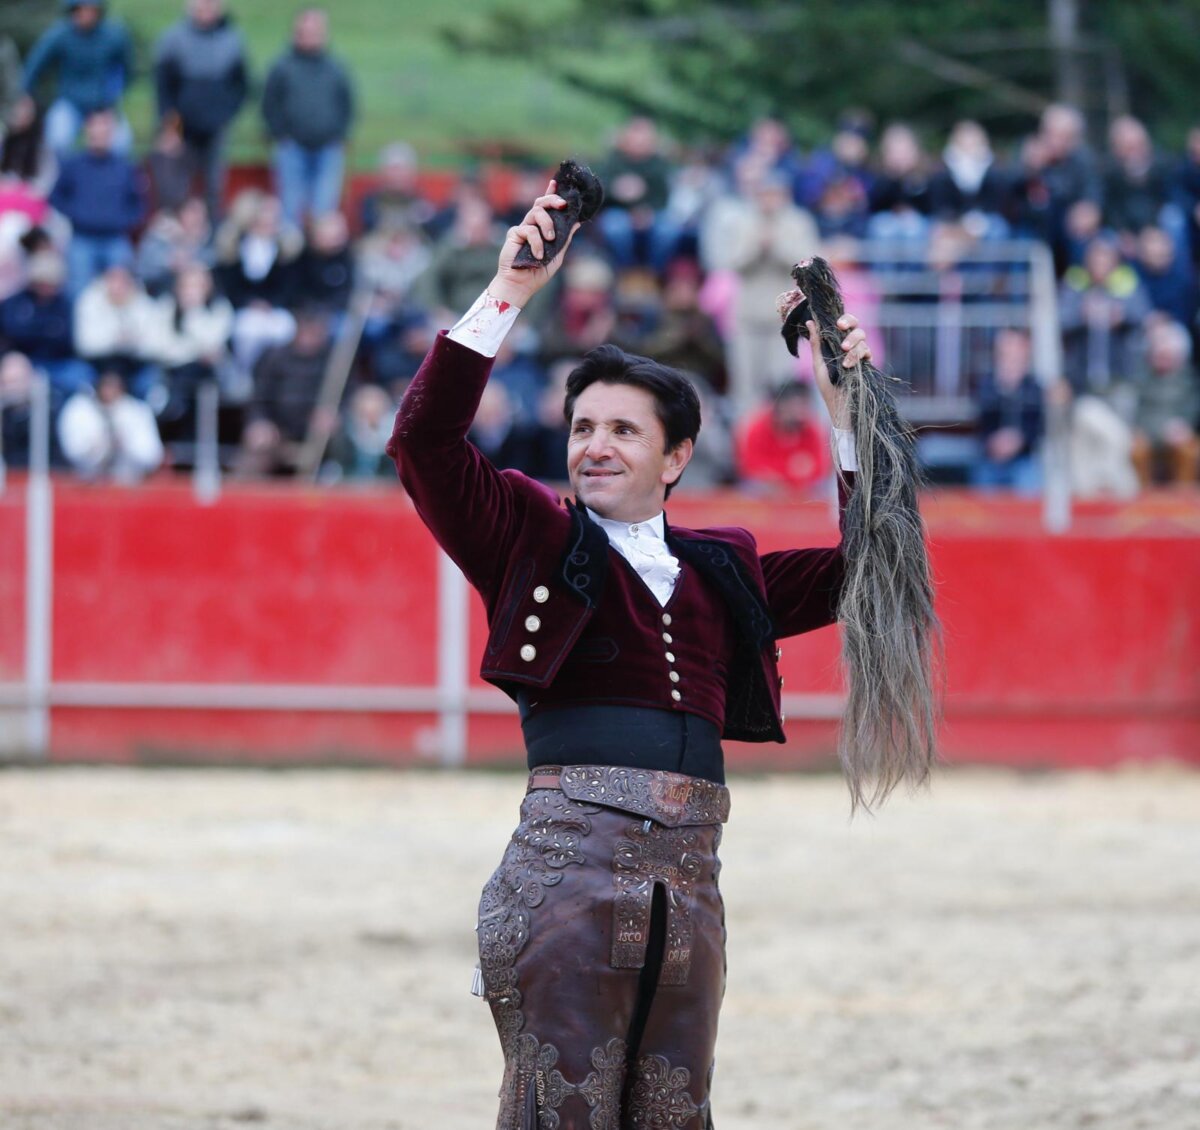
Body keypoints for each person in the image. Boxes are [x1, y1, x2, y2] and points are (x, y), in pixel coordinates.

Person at [387, 182, 876, 1128]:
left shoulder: (720, 571)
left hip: (694, 894)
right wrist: (507, 293)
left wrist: (842, 407)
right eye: (581, 429)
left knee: (674, 1118)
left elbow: (872, 566)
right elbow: (424, 443)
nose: (594, 448)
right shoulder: (530, 538)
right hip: (563, 885)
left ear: (677, 457)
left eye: (622, 430)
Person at [153, 0, 250, 220]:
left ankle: (212, 240)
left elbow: (241, 85)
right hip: (182, 127)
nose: (206, 9)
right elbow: (165, 88)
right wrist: (171, 129)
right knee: (177, 189)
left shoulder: (232, 40)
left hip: (216, 127)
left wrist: (227, 114)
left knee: (214, 188)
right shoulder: (174, 39)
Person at [261, 7, 355, 228]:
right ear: (296, 33)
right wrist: (280, 134)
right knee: (290, 210)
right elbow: (269, 104)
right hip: (291, 147)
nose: (311, 37)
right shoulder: (282, 67)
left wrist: (339, 135)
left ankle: (319, 259)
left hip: (328, 148)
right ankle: (291, 258)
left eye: (316, 31)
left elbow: (348, 105)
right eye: (306, 31)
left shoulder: (336, 68)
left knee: (324, 213)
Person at [15, 0, 135, 159]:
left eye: (90, 9)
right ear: (72, 10)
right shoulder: (60, 35)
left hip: (103, 104)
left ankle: (112, 182)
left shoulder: (113, 35)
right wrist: (26, 93)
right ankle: (60, 181)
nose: (85, 14)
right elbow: (35, 65)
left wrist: (111, 96)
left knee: (122, 142)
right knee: (57, 138)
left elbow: (124, 70)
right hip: (70, 102)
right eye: (80, 9)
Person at [48, 107, 146, 296]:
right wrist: (76, 213)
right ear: (87, 129)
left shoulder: (125, 167)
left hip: (115, 239)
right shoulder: (74, 164)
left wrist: (123, 220)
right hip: (81, 239)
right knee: (78, 293)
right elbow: (56, 197)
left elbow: (139, 203)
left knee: (123, 291)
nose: (100, 132)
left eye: (105, 127)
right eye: (96, 126)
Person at [735, 380, 833, 494]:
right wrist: (791, 473)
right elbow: (750, 467)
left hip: (803, 493)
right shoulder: (758, 427)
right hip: (767, 493)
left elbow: (820, 468)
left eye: (803, 405)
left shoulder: (812, 429)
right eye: (794, 405)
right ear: (780, 406)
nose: (799, 412)